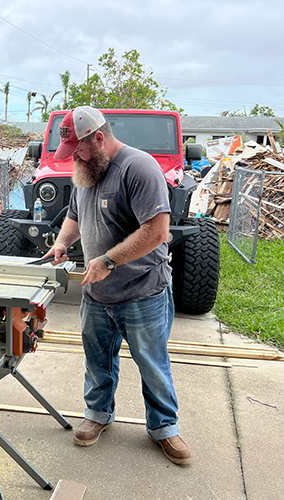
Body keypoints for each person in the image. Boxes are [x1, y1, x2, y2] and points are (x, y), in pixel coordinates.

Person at [44, 106, 192, 465]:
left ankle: (163, 428)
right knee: (98, 362)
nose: (73, 158)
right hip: (97, 294)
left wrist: (109, 261)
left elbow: (157, 232)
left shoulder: (139, 168)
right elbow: (75, 216)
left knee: (152, 364)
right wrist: (63, 242)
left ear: (98, 138)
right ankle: (98, 415)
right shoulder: (86, 170)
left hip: (142, 291)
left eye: (77, 150)